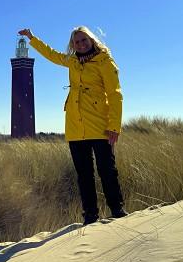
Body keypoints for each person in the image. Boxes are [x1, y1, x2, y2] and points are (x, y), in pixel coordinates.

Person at [18, 26, 127, 225]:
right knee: (84, 175)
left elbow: (115, 94)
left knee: (107, 171)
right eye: (77, 42)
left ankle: (117, 210)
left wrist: (114, 126)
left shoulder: (105, 61)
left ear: (92, 40)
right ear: (73, 45)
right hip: (75, 128)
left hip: (100, 125)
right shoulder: (72, 62)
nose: (81, 44)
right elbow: (52, 55)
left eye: (84, 40)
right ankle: (90, 216)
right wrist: (32, 39)